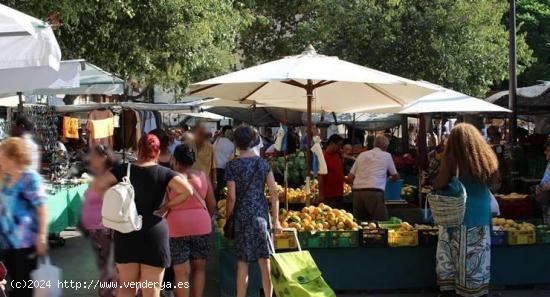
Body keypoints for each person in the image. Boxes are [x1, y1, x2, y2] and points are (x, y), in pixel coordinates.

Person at [95, 134, 194, 297]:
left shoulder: (122, 169)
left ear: (138, 149)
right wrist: (166, 207)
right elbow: (187, 191)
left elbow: (98, 185)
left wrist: (115, 202)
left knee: (126, 287)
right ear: (157, 151)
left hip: (126, 230)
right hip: (154, 231)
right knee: (151, 289)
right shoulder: (164, 172)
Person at [433, 123, 499, 297]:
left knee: (455, 256)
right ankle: (475, 289)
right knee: (477, 256)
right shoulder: (485, 157)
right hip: (482, 214)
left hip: (458, 215)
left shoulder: (452, 158)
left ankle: (455, 290)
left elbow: (439, 183)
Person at [225, 126, 282, 297]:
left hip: (241, 217)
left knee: (243, 263)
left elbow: (231, 197)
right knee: (265, 263)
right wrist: (276, 219)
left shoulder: (232, 165)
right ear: (253, 141)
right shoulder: (263, 163)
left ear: (235, 143)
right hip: (261, 217)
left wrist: (229, 217)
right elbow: (273, 192)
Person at [0, 137, 48, 297]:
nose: (0, 159)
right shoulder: (4, 178)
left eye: (2, 155)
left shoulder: (29, 178)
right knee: (14, 286)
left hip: (25, 244)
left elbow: (42, 207)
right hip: (6, 243)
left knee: (24, 288)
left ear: (13, 157)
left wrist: (42, 235)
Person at [168, 144, 216, 297]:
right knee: (199, 269)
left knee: (181, 273)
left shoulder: (168, 178)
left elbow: (163, 205)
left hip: (176, 228)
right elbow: (212, 204)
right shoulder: (202, 176)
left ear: (174, 160)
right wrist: (204, 218)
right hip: (202, 227)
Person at [80, 145, 119, 297]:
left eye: (94, 157)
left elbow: (111, 200)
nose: (90, 160)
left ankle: (109, 293)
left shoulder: (109, 176)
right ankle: (107, 291)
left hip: (104, 227)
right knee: (106, 264)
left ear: (103, 158)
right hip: (98, 229)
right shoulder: (102, 175)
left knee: (109, 265)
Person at [348, 134, 399, 221]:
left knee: (361, 223)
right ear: (385, 146)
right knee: (381, 222)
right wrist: (389, 179)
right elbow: (395, 175)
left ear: (374, 144)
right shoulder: (387, 155)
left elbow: (350, 177)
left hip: (358, 193)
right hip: (374, 192)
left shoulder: (362, 155)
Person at [318, 135, 345, 209]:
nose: (340, 147)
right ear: (332, 143)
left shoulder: (337, 155)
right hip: (329, 196)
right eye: (339, 145)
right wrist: (321, 195)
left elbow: (339, 172)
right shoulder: (323, 157)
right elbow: (320, 177)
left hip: (339, 193)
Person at [213, 126, 235, 200]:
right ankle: (221, 201)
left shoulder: (218, 140)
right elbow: (232, 158)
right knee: (222, 187)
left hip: (215, 166)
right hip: (225, 167)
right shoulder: (232, 145)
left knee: (215, 186)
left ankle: (215, 201)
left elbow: (213, 150)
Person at [536, 139, 550, 224]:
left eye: (548, 150)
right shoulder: (549, 163)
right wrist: (540, 186)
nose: (545, 152)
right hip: (546, 199)